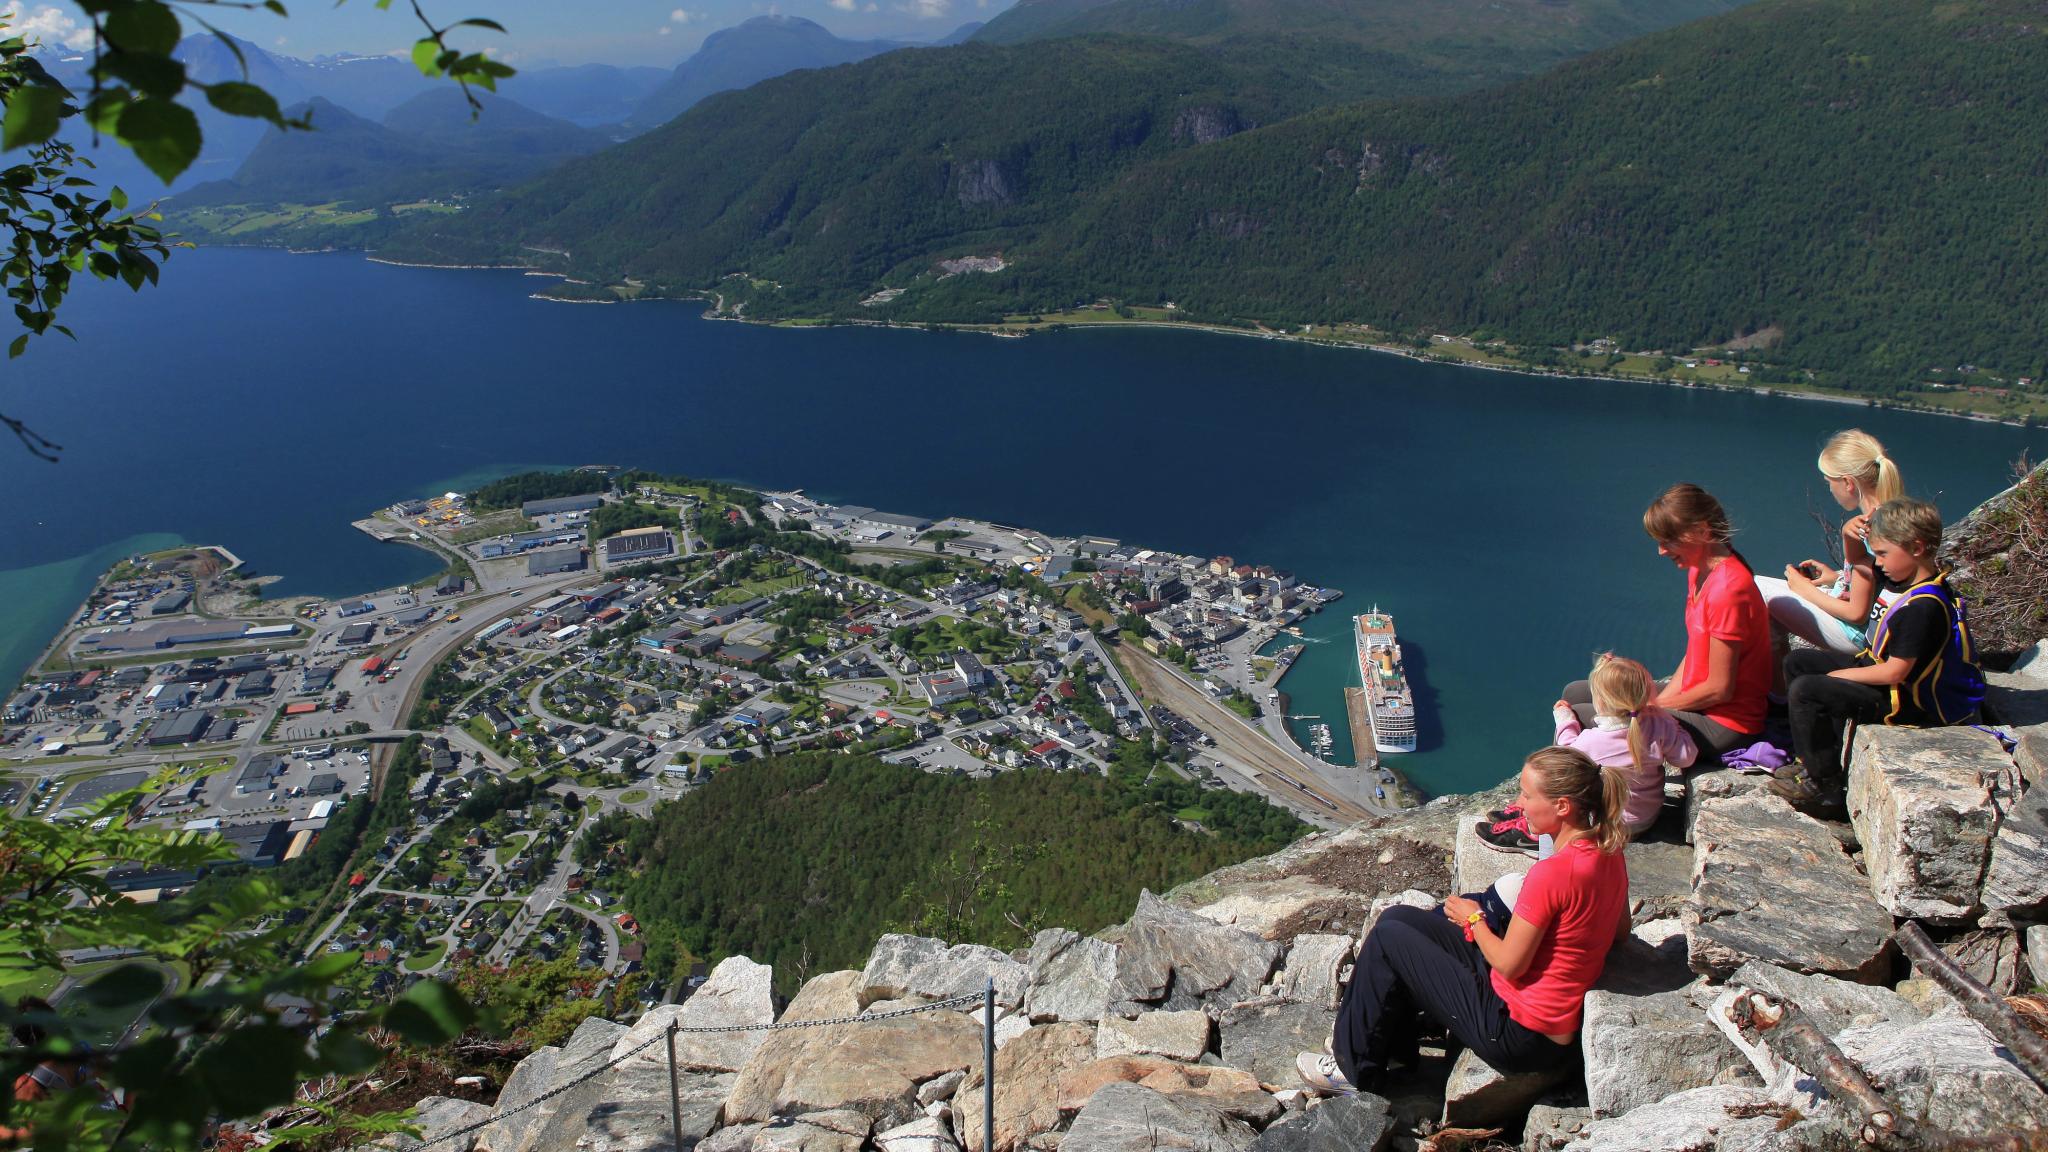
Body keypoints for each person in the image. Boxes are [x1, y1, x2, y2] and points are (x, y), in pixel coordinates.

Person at [1298, 748, 1633, 1096]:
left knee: (1389, 941)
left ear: (1562, 806)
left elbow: (1509, 965)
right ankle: (1387, 1048)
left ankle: (1353, 1070)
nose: (1518, 804)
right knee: (1398, 918)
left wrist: (1474, 920)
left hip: (1517, 1031)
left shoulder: (1553, 873)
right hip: (1539, 1019)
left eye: (1528, 795)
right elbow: (1620, 932)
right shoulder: (1608, 851)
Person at [1770, 499, 1986, 814]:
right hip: (1884, 675)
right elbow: (1859, 561)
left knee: (1807, 689)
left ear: (1916, 547)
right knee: (1798, 663)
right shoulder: (1901, 579)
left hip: (1909, 701)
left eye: (1883, 553)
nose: (1878, 562)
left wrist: (1837, 677)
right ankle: (1811, 759)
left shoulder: (1923, 607)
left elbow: (1895, 672)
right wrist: (1849, 535)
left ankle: (1824, 787)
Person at [1561, 483, 1772, 759]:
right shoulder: (1699, 570)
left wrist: (1650, 707)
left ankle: (1596, 792)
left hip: (1725, 723)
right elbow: (1698, 649)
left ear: (1701, 531)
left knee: (1577, 714)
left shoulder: (1728, 589)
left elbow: (1720, 689)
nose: (1661, 551)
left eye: (1668, 540)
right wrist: (1657, 702)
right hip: (1697, 702)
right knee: (1576, 691)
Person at [1756, 430, 1905, 655]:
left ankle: (1775, 685)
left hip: (1856, 635)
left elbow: (1857, 614)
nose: (1829, 489)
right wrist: (1838, 578)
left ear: (1848, 483)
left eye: (1829, 482)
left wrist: (1805, 590)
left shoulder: (1868, 530)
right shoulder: (1892, 515)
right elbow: (1881, 582)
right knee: (1759, 582)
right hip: (1873, 627)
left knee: (1756, 589)